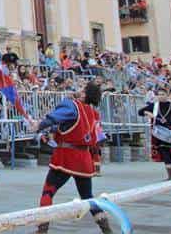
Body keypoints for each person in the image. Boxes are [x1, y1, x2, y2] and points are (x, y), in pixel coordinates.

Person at [28, 82, 112, 233]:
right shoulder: (92, 113)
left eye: (82, 88)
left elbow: (55, 118)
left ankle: (42, 229)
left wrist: (39, 125)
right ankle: (106, 228)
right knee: (88, 196)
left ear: (84, 94)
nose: (78, 89)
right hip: (84, 159)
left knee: (48, 192)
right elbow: (68, 126)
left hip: (66, 158)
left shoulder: (72, 105)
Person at [139, 86, 171, 180]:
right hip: (159, 135)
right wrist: (148, 114)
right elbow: (140, 112)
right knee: (165, 155)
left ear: (167, 95)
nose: (160, 96)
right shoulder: (154, 106)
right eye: (159, 94)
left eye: (163, 94)